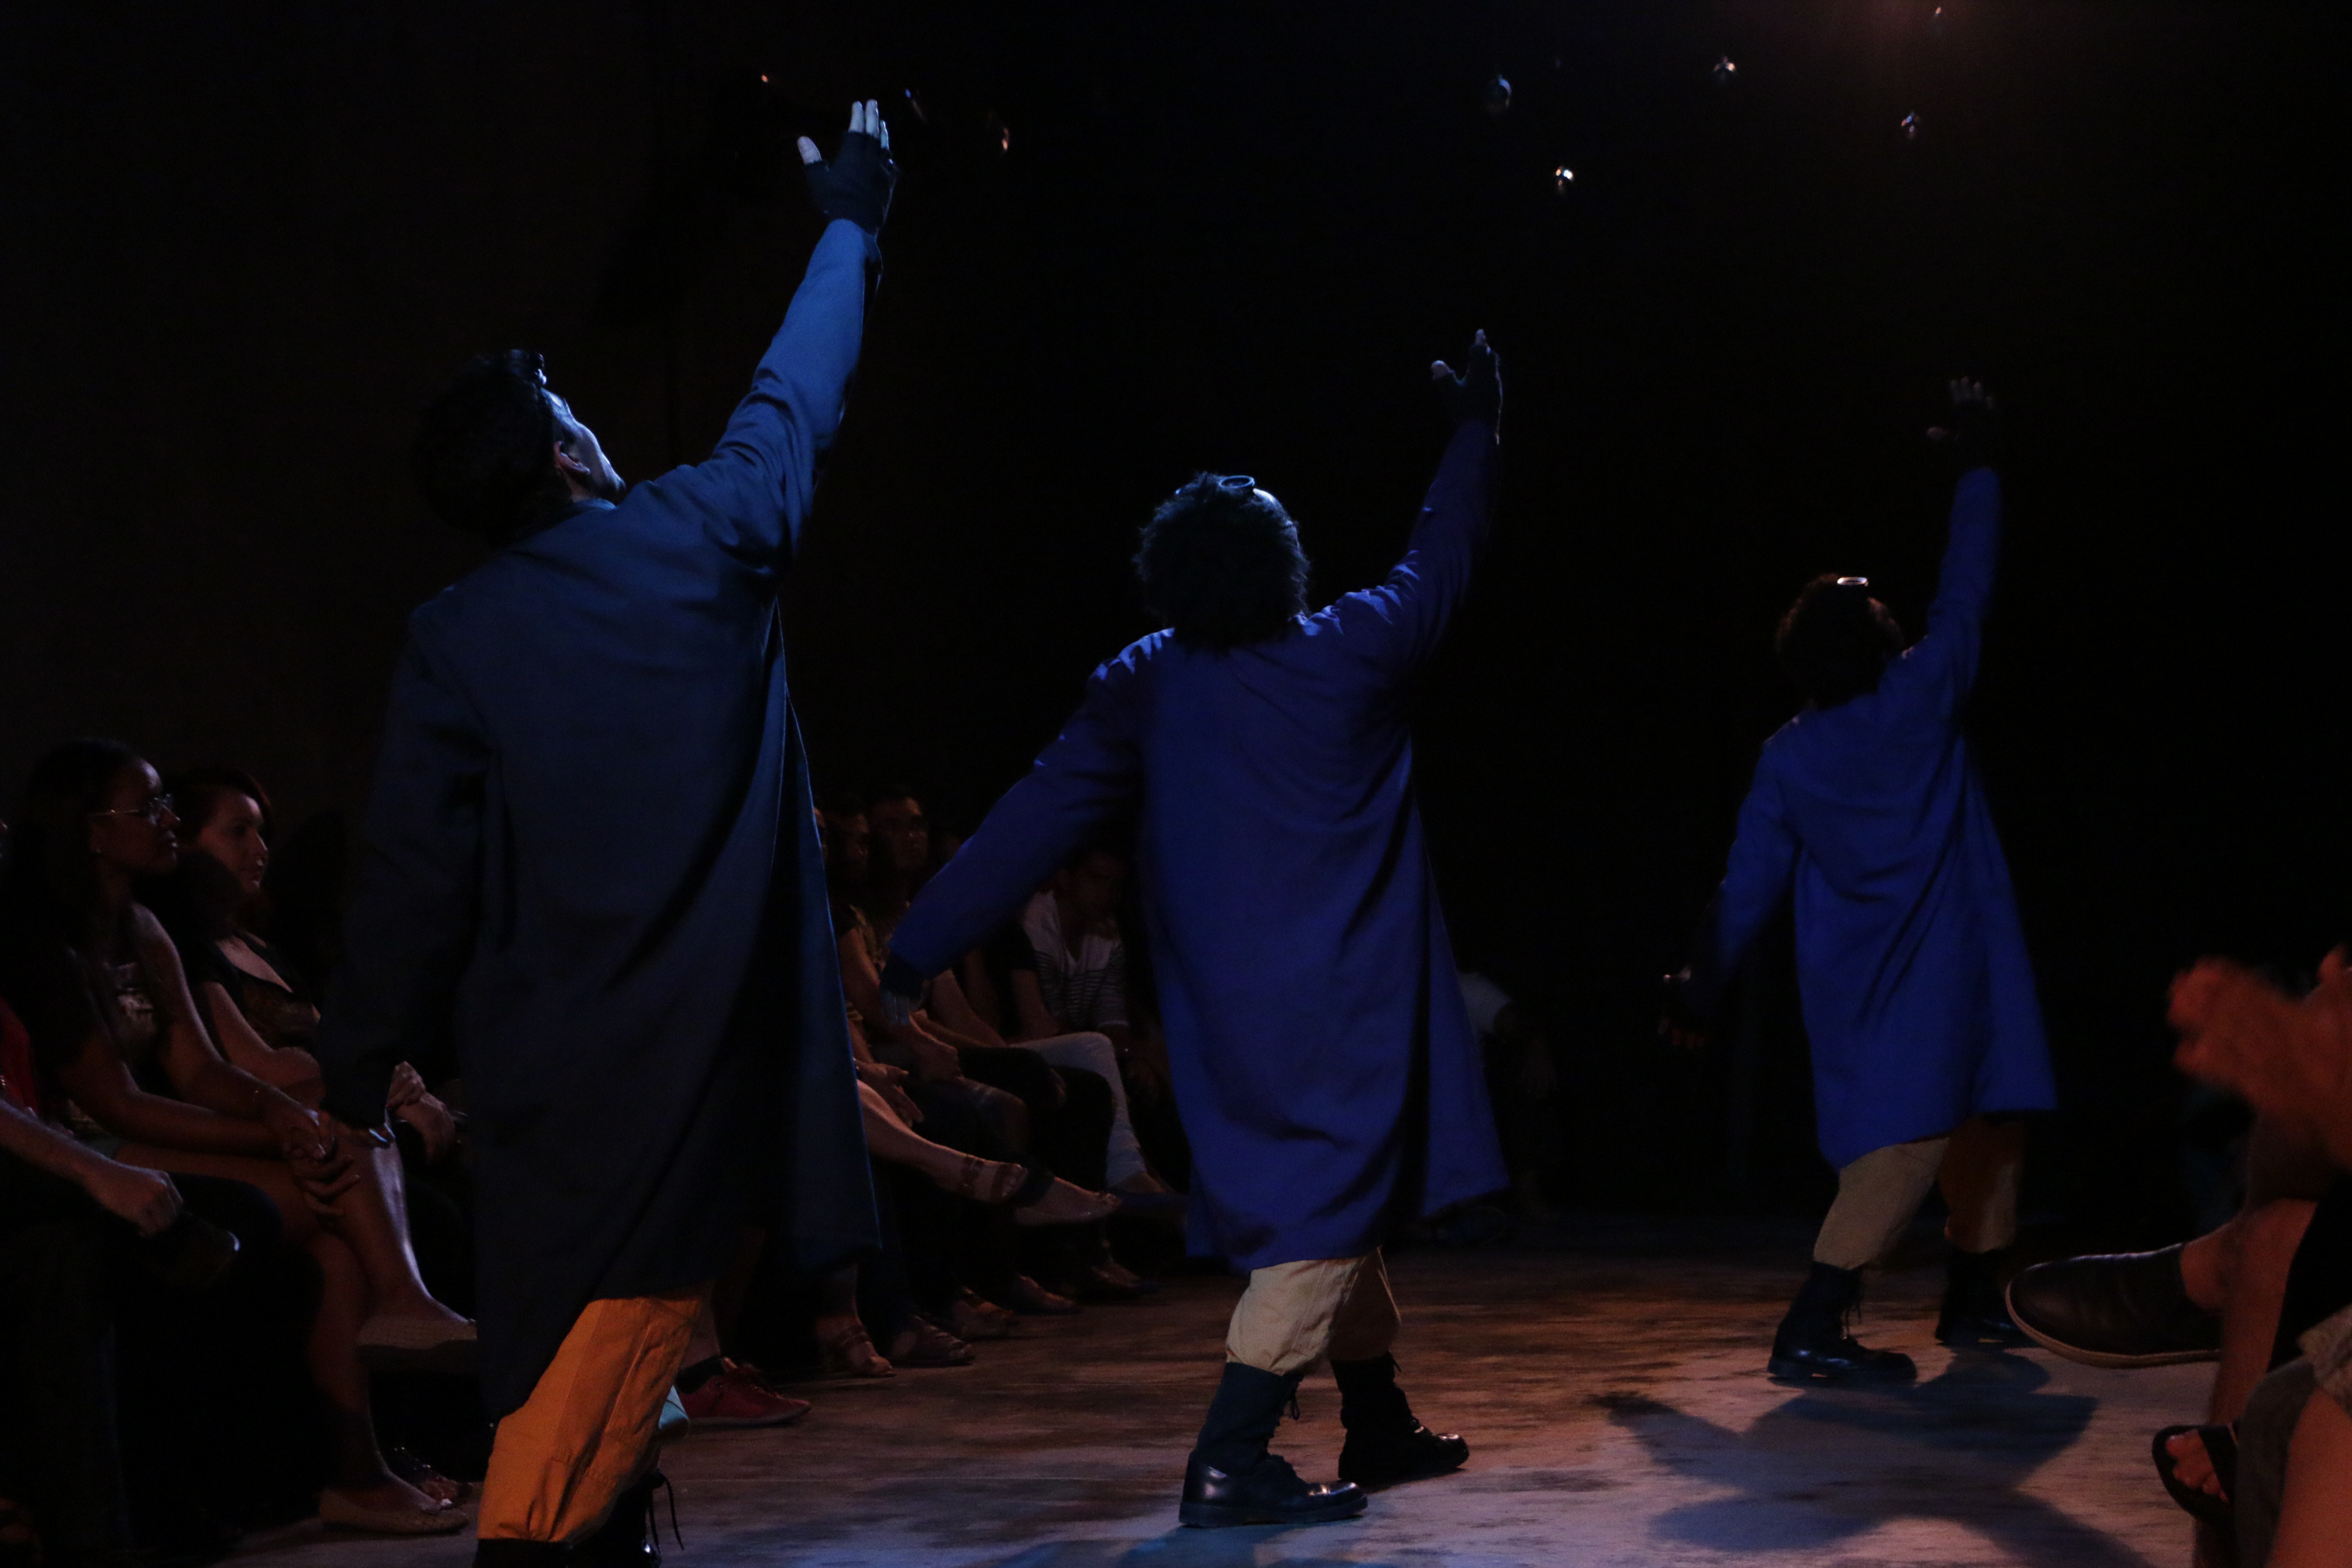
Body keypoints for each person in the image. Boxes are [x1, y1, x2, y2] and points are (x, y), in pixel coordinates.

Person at [309, 104, 897, 1568]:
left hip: (546, 1085)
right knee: (562, 1459)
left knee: (581, 1366)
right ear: (567, 453)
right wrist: (849, 225)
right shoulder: (706, 538)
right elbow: (795, 394)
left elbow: (412, 877)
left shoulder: (458, 635)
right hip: (687, 1070)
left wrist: (357, 1066)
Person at [881, 334, 1509, 1528]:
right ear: (1281, 566)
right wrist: (1476, 432)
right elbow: (1446, 554)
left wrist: (918, 946)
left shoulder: (1147, 680)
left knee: (1335, 1203)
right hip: (1345, 1007)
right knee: (1323, 1219)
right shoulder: (1353, 650)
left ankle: (1376, 1415)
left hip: (1228, 1013)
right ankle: (1230, 1460)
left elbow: (1031, 817)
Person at [1664, 380, 2056, 1384]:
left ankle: (1974, 1297)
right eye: (1871, 603)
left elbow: (1745, 885)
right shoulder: (1921, 695)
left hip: (1907, 970)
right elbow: (1968, 581)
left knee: (1989, 1121)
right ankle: (1812, 1322)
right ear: (1870, 641)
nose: (1886, 603)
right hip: (1911, 973)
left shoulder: (1791, 754)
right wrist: (1979, 468)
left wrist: (1702, 986)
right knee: (1908, 1141)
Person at [0, 740, 472, 1536]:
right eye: (149, 806)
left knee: (338, 1182)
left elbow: (201, 1069)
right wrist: (273, 1135)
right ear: (93, 831)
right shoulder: (44, 939)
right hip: (91, 1145)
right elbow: (117, 1104)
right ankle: (404, 1314)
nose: (168, 820)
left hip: (153, 1124)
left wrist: (277, 1111)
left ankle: (362, 1464)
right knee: (328, 1184)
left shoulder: (144, 927)